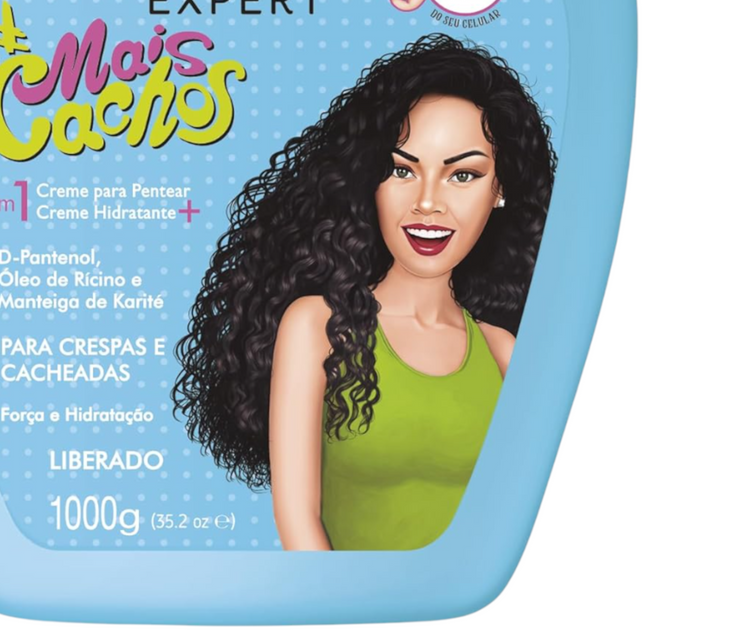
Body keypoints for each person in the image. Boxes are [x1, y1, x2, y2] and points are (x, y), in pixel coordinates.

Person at [171, 33, 557, 550]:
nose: (427, 203)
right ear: (368, 180)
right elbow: (298, 522)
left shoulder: (503, 353)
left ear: (500, 189)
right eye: (401, 170)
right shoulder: (316, 327)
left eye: (462, 175)